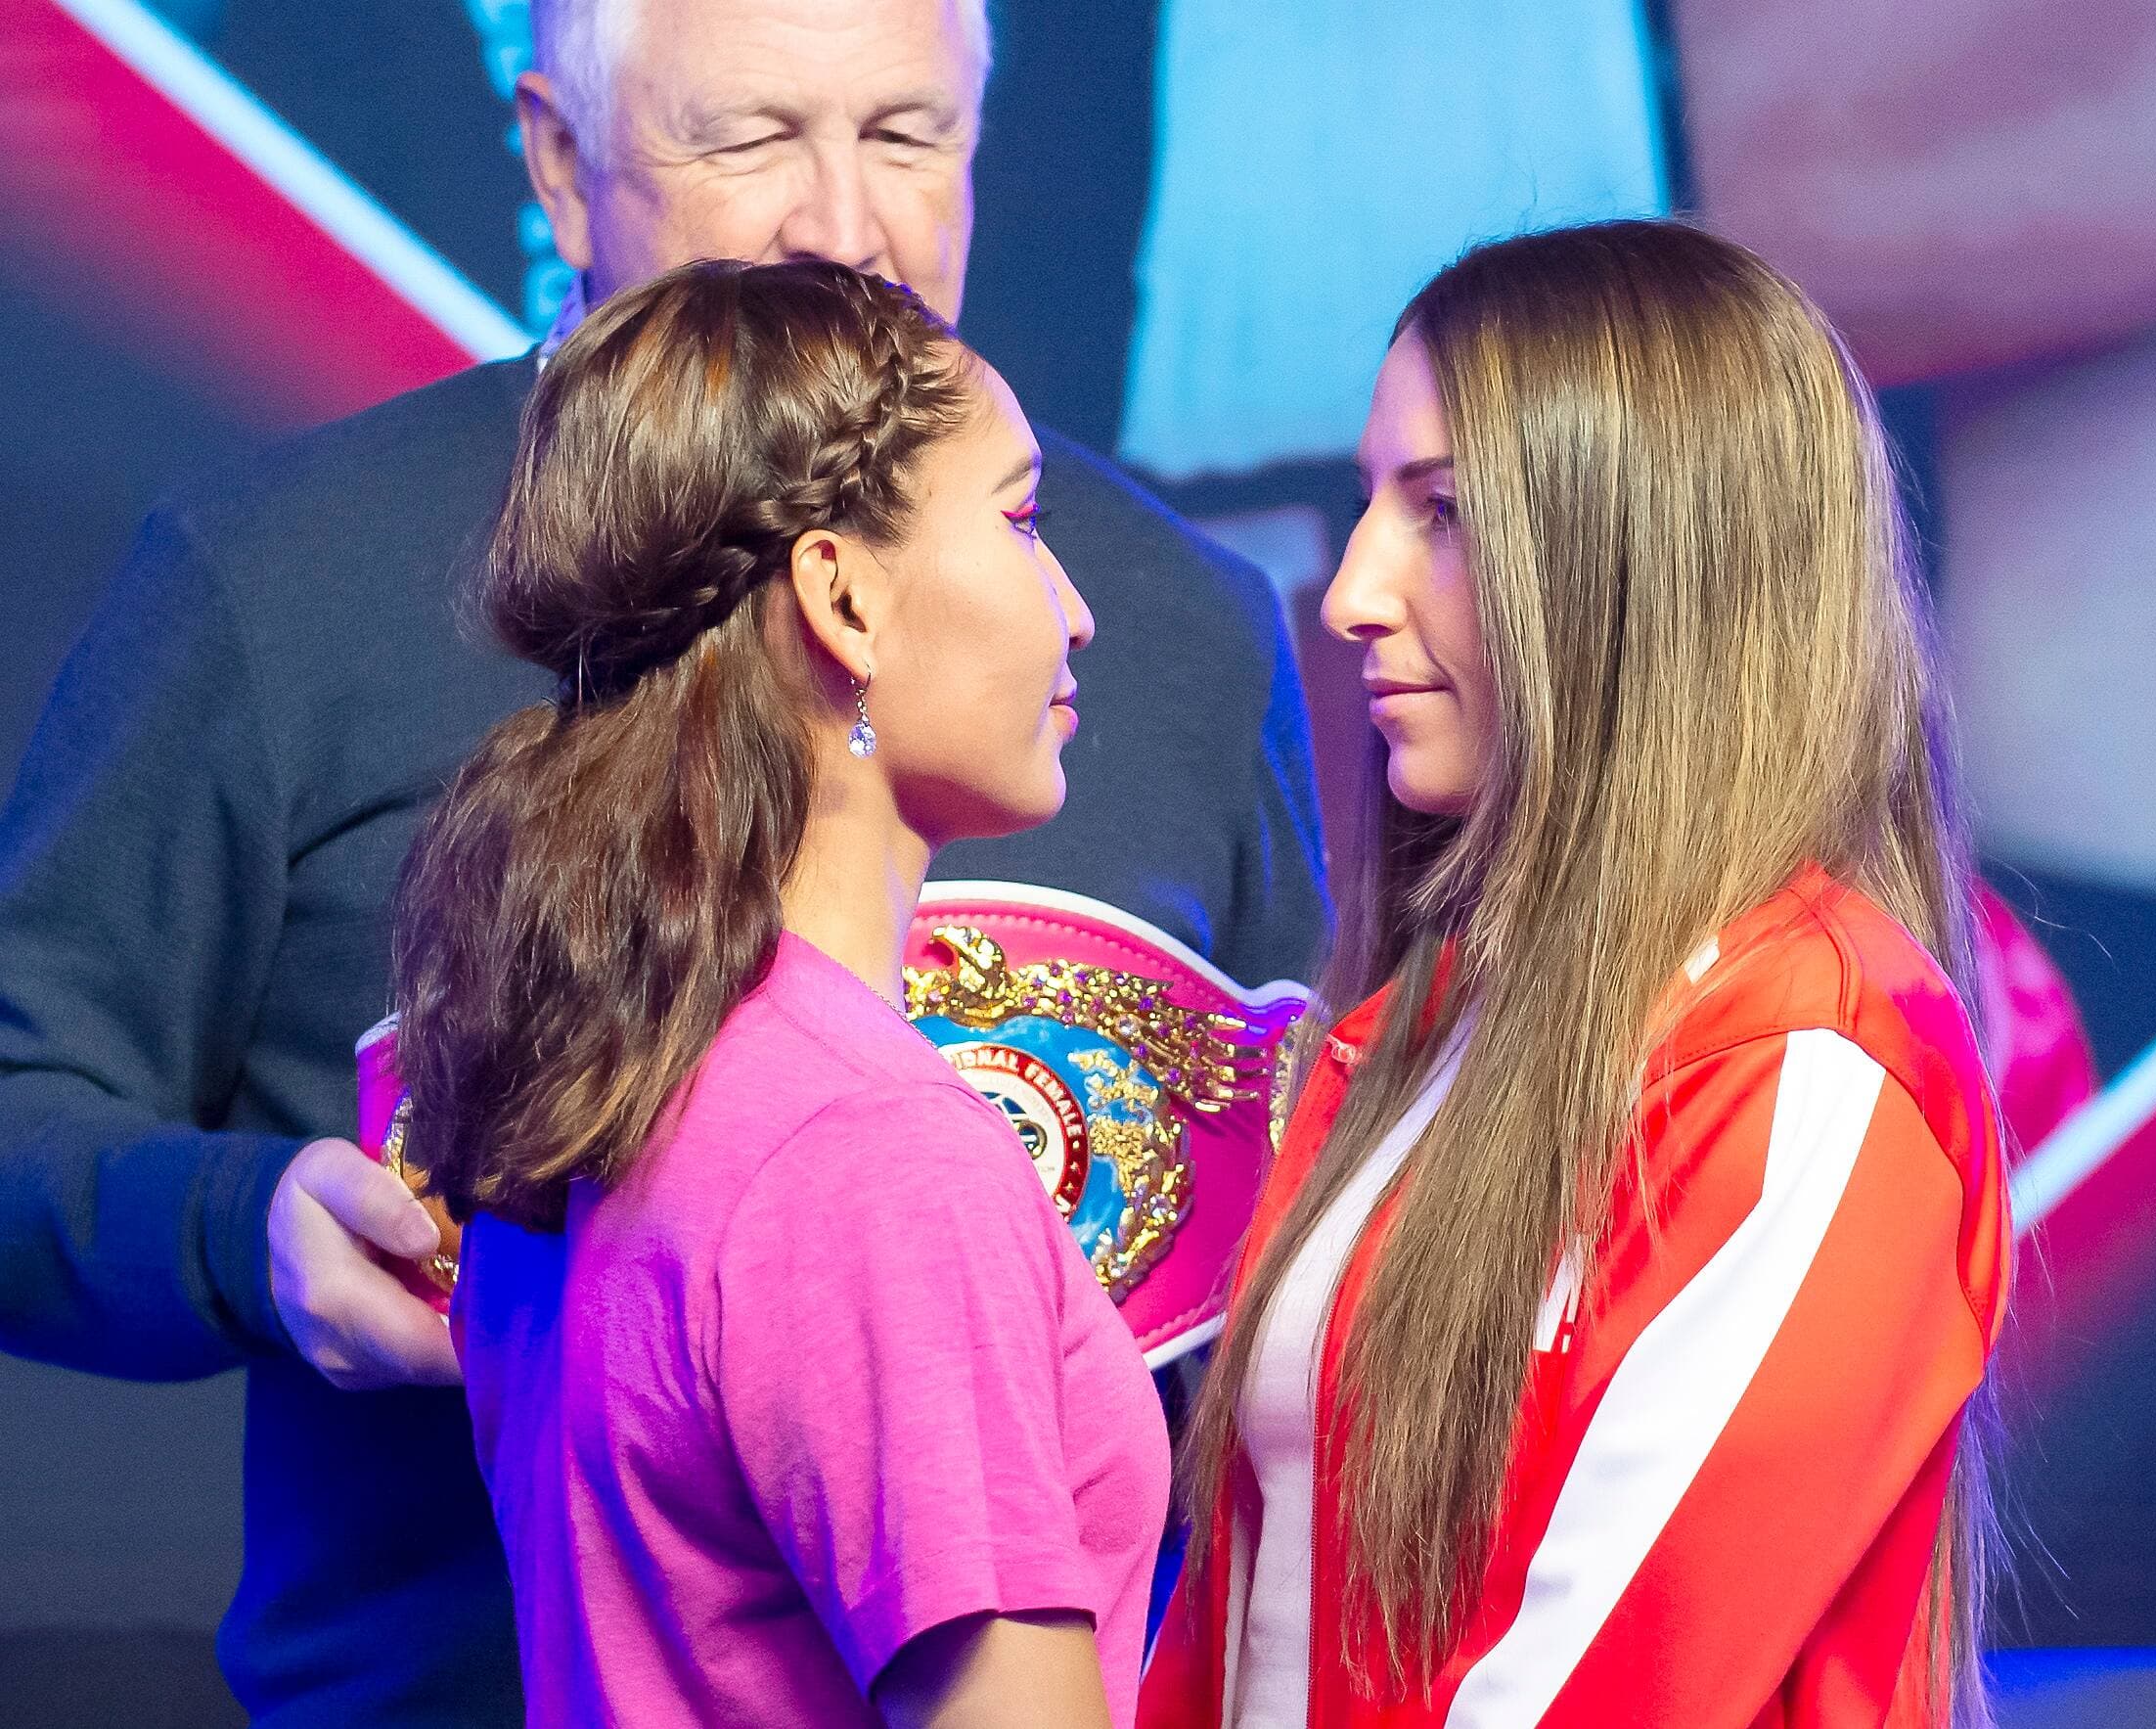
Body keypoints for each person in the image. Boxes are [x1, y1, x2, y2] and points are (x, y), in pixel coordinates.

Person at [0, 1, 1323, 1719]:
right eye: (754, 138)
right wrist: (241, 1232)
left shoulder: (1179, 623)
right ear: (558, 164)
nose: (843, 226)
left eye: (908, 138)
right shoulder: (283, 583)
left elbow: (1286, 1238)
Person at [1142, 220, 2012, 1728]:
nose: (1350, 593)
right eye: (1371, 508)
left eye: (1446, 514)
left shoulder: (1802, 1066)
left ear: (1642, 560)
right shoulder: (1412, 1035)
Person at [404, 256, 1162, 1727]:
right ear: (844, 598)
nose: (1073, 610)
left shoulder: (606, 1086)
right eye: (1020, 521)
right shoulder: (868, 1160)